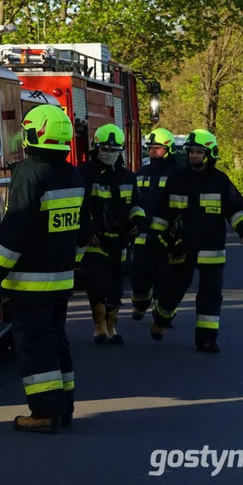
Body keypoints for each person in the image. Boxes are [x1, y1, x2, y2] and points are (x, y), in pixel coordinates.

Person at [0, 104, 91, 434]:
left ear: (32, 135)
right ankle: (63, 407)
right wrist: (73, 265)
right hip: (60, 280)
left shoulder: (30, 173)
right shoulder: (73, 174)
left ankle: (44, 413)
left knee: (33, 345)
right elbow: (82, 230)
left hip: (30, 284)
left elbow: (15, 231)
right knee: (56, 342)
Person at [148, 129, 243, 353]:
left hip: (211, 248)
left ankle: (207, 339)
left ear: (210, 154)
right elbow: (162, 211)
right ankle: (161, 316)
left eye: (199, 152)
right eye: (191, 152)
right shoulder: (177, 180)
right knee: (174, 288)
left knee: (211, 294)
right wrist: (156, 239)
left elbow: (236, 208)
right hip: (181, 247)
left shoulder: (220, 181)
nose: (194, 156)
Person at [76, 124, 146, 345]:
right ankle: (99, 327)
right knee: (96, 282)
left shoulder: (127, 177)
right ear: (96, 147)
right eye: (105, 148)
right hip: (95, 239)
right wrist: (87, 231)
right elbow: (80, 207)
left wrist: (138, 221)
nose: (109, 153)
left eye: (114, 150)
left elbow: (136, 204)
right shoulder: (84, 174)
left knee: (116, 283)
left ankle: (112, 325)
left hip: (121, 239)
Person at [130, 128, 182, 323]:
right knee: (139, 276)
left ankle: (163, 314)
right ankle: (140, 303)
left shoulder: (177, 175)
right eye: (150, 147)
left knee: (166, 277)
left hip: (167, 238)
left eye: (157, 148)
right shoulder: (141, 172)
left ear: (168, 150)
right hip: (143, 237)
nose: (152, 151)